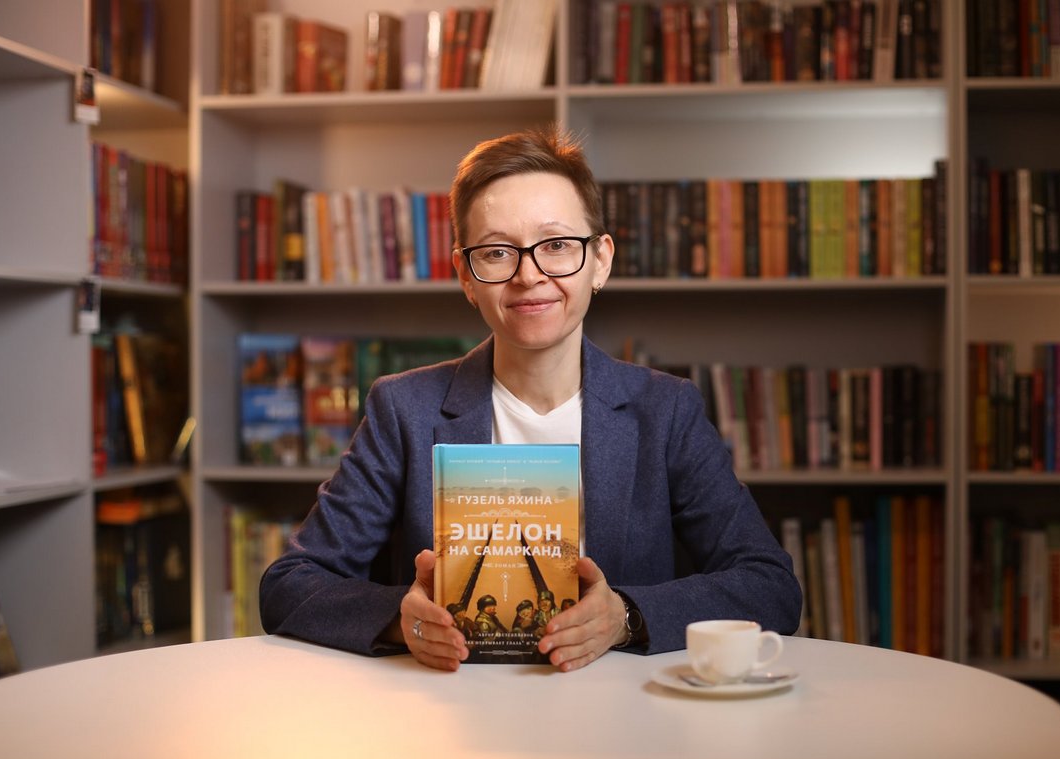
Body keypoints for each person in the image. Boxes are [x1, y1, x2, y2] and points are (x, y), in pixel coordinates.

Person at [259, 126, 802, 672]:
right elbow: (289, 585)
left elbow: (770, 585)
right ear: (466, 276)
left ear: (601, 261)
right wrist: (401, 619)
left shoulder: (667, 411)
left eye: (557, 246)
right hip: (451, 701)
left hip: (625, 705)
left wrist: (625, 616)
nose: (528, 275)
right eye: (498, 252)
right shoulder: (403, 410)